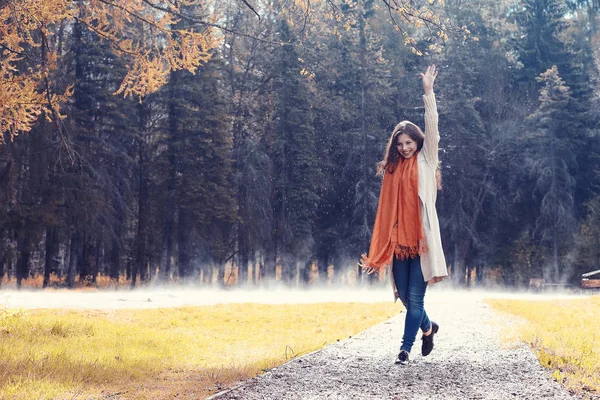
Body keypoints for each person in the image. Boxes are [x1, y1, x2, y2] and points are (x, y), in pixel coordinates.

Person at [360, 65, 448, 365]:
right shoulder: (393, 168)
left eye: (409, 143)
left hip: (421, 242)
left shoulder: (427, 159)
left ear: (418, 142)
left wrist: (428, 93)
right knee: (407, 300)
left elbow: (433, 126)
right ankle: (428, 327)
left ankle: (404, 349)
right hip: (399, 243)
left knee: (416, 299)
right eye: (400, 144)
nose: (405, 148)